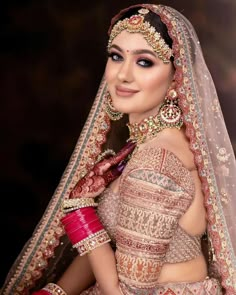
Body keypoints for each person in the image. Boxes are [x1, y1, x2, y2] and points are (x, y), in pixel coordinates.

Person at [2, 3, 236, 295]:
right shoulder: (147, 146)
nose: (123, 75)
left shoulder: (156, 163)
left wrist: (80, 215)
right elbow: (112, 248)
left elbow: (127, 291)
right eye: (116, 56)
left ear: (177, 78)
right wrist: (55, 292)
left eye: (144, 61)